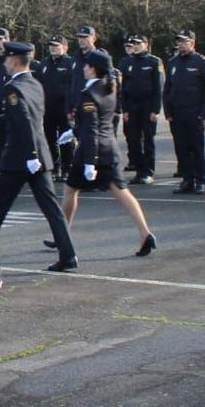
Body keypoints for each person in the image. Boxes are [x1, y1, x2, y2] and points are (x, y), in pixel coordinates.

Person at [0, 42, 77, 271]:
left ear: (15, 60)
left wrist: (30, 153)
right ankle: (68, 255)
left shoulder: (13, 88)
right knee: (52, 210)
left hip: (20, 157)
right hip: (39, 156)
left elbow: (24, 119)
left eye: (7, 59)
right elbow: (23, 115)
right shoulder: (35, 83)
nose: (5, 63)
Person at [61, 50, 157, 256]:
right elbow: (95, 121)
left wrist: (89, 161)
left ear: (93, 69)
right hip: (109, 148)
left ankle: (62, 235)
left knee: (70, 190)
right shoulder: (108, 88)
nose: (84, 68)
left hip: (92, 149)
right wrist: (72, 132)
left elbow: (92, 128)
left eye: (87, 66)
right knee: (123, 193)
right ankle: (145, 233)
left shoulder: (90, 93)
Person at [163, 30, 205, 194]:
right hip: (178, 113)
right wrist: (168, 111)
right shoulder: (172, 62)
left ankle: (200, 181)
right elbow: (168, 88)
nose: (180, 45)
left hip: (195, 112)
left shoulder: (201, 61)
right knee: (181, 148)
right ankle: (187, 179)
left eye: (184, 41)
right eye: (179, 42)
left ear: (192, 43)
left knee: (196, 148)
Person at [119, 33, 163, 184]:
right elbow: (123, 89)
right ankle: (138, 170)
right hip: (132, 105)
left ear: (146, 44)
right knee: (133, 139)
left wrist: (155, 110)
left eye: (138, 43)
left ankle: (148, 171)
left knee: (148, 139)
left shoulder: (154, 62)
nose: (136, 46)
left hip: (148, 105)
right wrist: (124, 109)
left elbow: (158, 88)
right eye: (134, 43)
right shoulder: (126, 62)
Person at [39, 36, 75, 153]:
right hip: (48, 108)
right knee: (49, 138)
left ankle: (67, 168)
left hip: (64, 108)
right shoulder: (44, 63)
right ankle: (54, 166)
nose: (52, 48)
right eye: (51, 45)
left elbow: (73, 86)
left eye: (56, 46)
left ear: (65, 47)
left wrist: (72, 107)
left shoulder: (70, 63)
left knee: (66, 139)